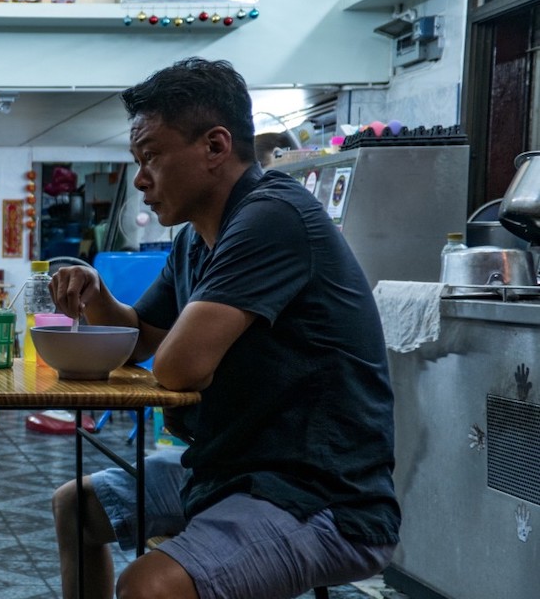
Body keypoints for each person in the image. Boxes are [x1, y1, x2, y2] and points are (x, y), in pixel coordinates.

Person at [50, 57, 400, 599]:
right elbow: (139, 337)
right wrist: (96, 292)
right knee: (78, 506)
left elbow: (178, 365)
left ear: (215, 147)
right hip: (228, 469)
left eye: (150, 158)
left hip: (317, 492)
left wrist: (176, 351)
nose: (140, 178)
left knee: (148, 586)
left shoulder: (272, 216)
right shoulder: (195, 238)